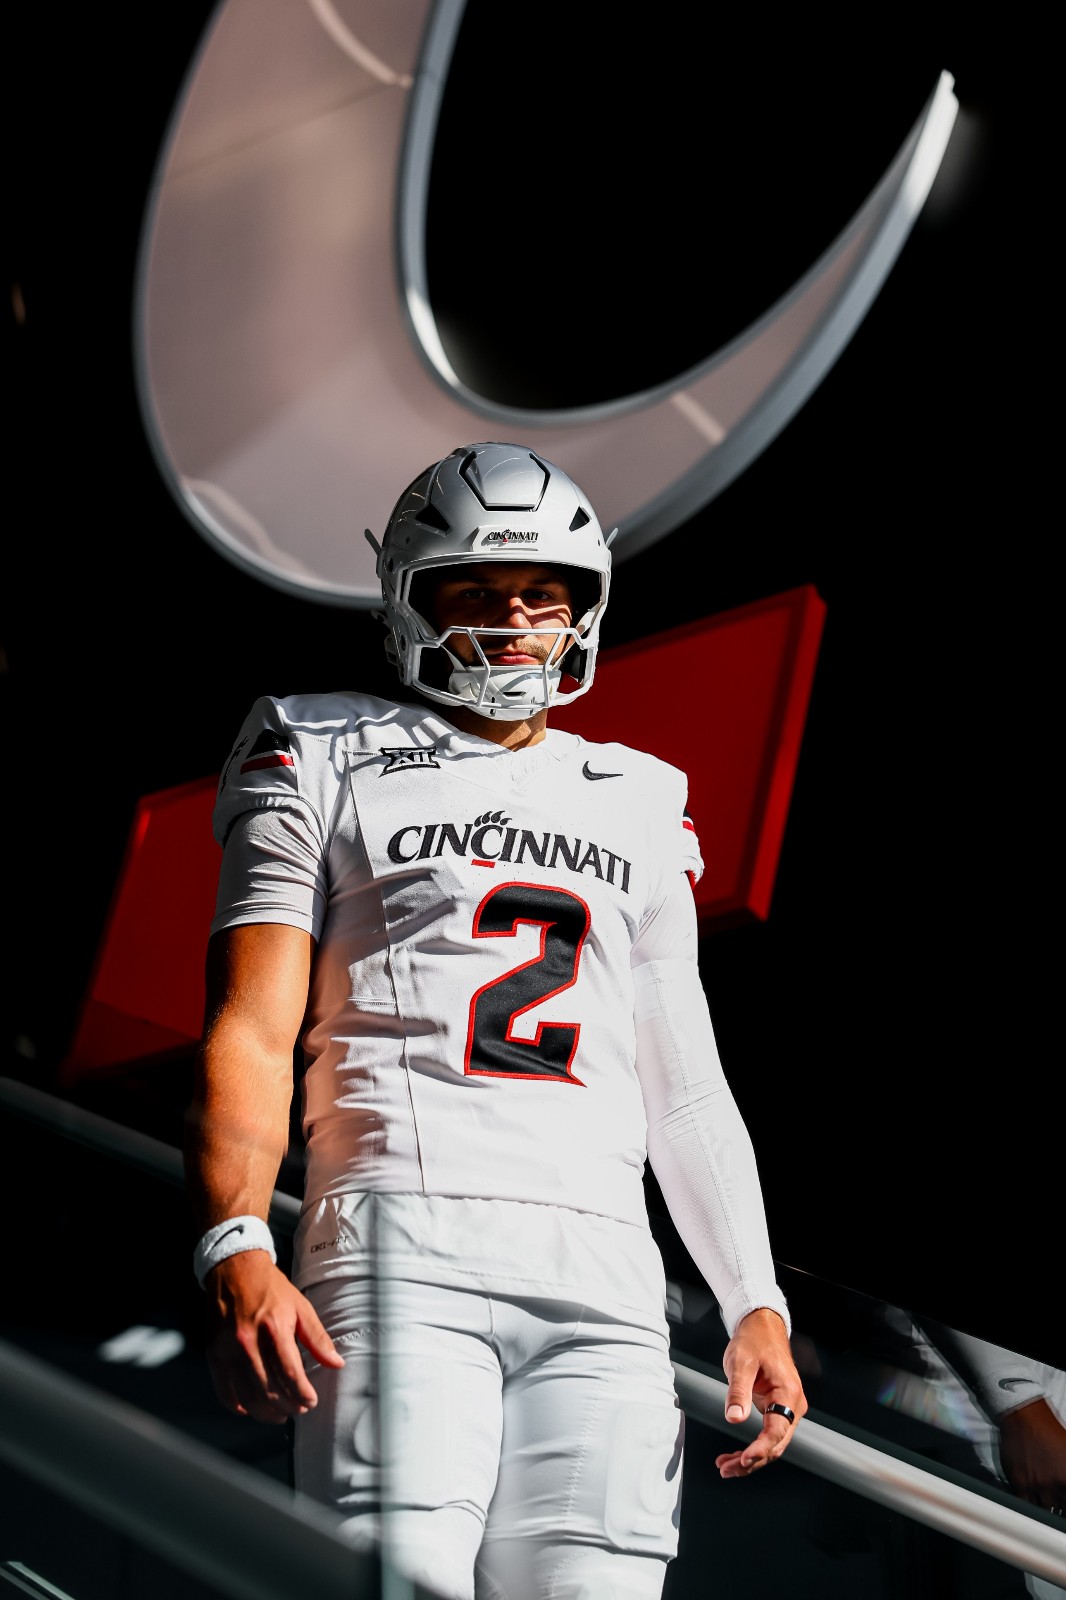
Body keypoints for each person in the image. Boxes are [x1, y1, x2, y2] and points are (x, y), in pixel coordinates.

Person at [184, 441, 808, 1599]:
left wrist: (752, 1300)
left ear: (583, 605)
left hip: (606, 1276)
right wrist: (236, 1239)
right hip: (399, 1247)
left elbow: (682, 1084)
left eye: (541, 592)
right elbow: (252, 1029)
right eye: (473, 589)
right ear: (408, 600)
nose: (514, 618)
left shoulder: (641, 794)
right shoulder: (313, 743)